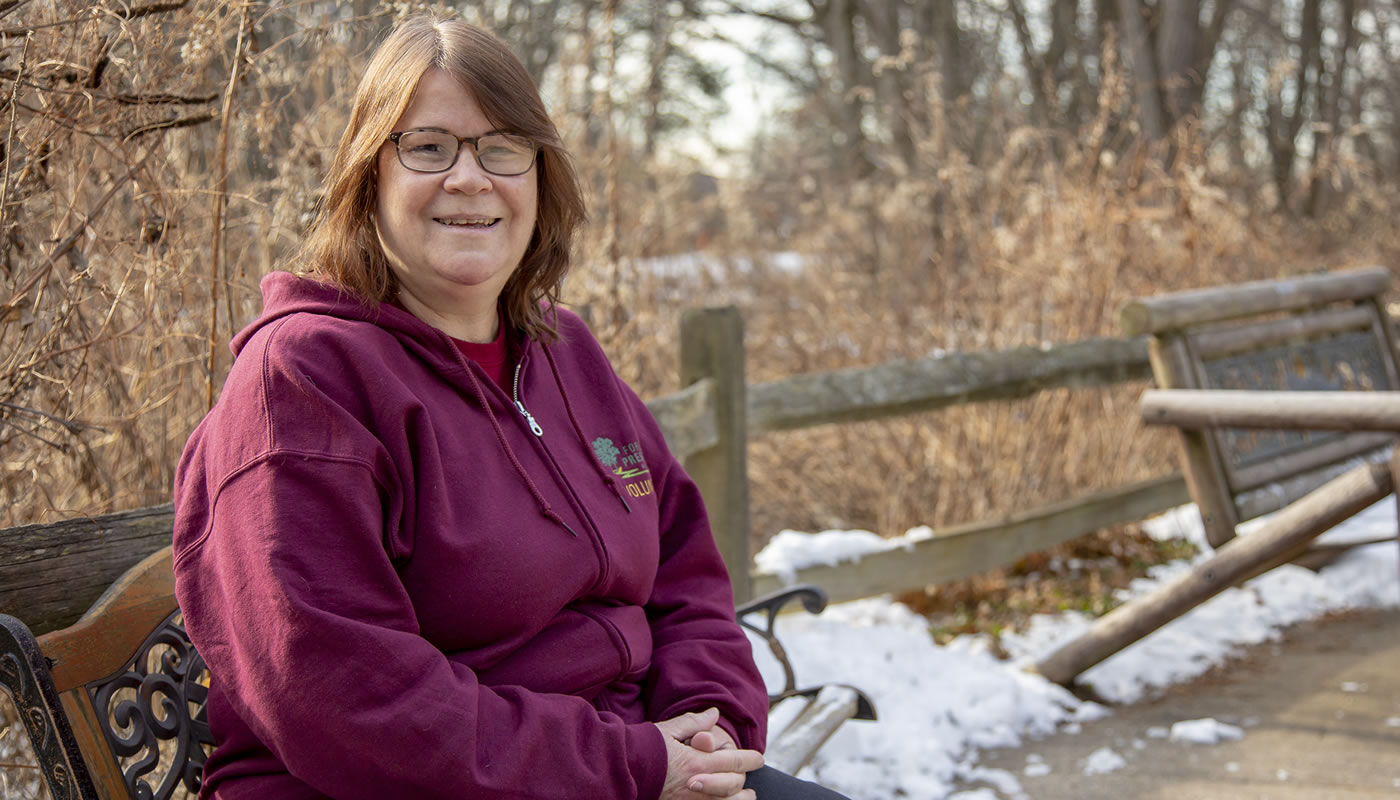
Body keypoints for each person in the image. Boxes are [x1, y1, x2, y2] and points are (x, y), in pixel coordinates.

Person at [172, 14, 852, 800]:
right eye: (428, 146)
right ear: (369, 175)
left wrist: (709, 722)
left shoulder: (566, 353)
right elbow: (342, 695)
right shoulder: (303, 382)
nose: (470, 178)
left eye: (503, 148)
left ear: (539, 176)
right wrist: (630, 764)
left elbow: (683, 573)